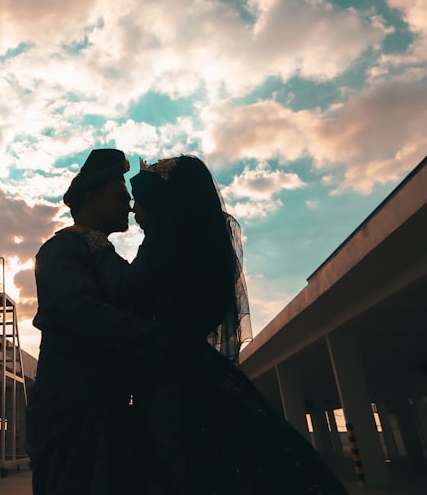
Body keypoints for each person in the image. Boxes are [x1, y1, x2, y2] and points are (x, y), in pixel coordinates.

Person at [110, 155, 349, 494]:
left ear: (160, 202)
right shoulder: (197, 241)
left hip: (172, 379)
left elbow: (126, 292)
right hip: (196, 369)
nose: (134, 211)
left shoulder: (164, 242)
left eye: (139, 202)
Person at [26, 149, 165, 495]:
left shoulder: (101, 252)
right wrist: (162, 340)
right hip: (70, 416)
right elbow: (86, 316)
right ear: (91, 197)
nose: (129, 207)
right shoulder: (60, 251)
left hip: (101, 412)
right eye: (120, 196)